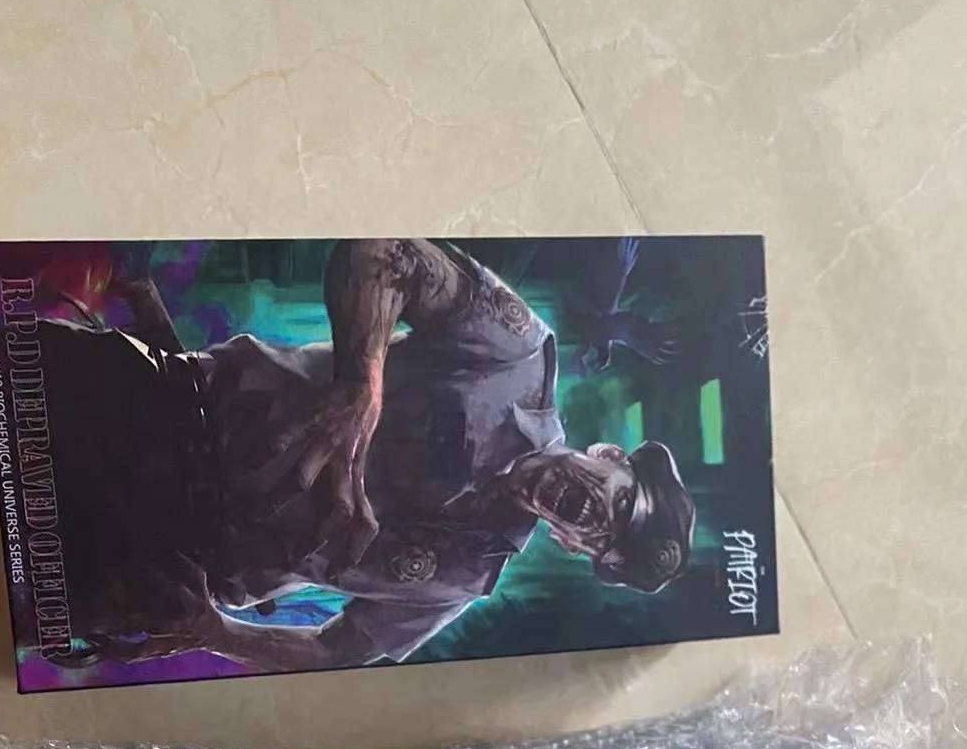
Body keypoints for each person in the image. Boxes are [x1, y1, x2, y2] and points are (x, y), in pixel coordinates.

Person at [34, 240, 697, 669]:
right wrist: (360, 384)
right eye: (619, 499)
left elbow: (338, 651)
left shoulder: (461, 581)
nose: (593, 514)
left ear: (577, 548)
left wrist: (216, 631)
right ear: (609, 453)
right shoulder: (516, 358)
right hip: (149, 409)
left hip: (151, 566)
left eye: (602, 536)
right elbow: (383, 252)